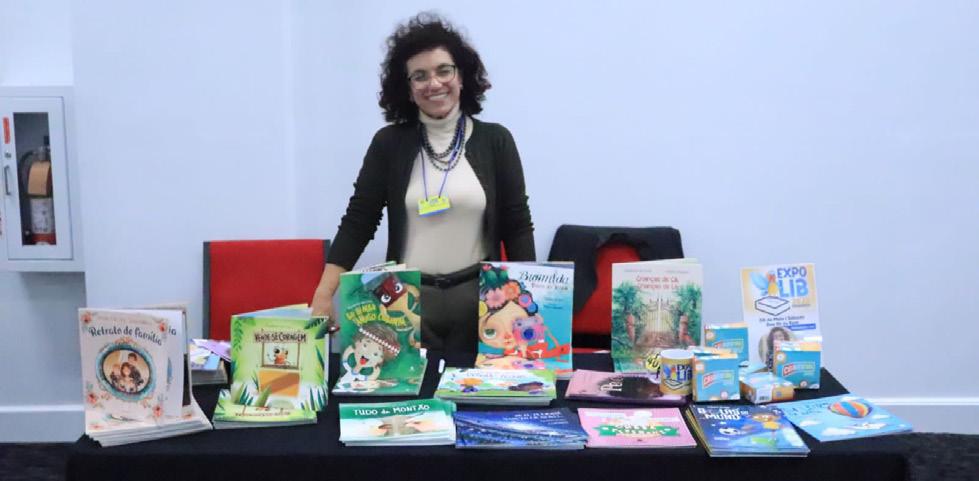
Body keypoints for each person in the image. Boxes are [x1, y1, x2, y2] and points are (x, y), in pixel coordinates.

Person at [311, 13, 535, 353]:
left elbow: (517, 225)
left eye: (444, 70)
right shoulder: (388, 144)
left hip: (480, 304)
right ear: (408, 88)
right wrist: (325, 293)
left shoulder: (496, 141)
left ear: (461, 76)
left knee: (475, 389)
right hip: (405, 306)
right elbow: (359, 221)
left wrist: (529, 300)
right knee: (410, 390)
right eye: (420, 76)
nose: (434, 83)